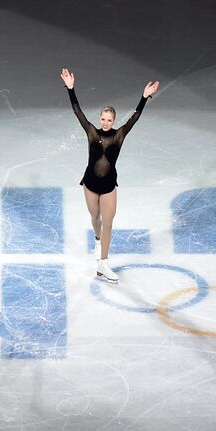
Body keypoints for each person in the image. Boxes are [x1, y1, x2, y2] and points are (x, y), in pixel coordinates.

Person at [60, 68, 159, 283]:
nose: (105, 122)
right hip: (89, 184)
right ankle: (97, 239)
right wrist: (71, 89)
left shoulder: (119, 136)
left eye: (109, 120)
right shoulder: (92, 132)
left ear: (113, 121)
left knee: (108, 223)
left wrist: (144, 97)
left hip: (108, 187)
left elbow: (135, 117)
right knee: (95, 219)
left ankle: (103, 263)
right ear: (100, 119)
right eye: (103, 119)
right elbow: (77, 111)